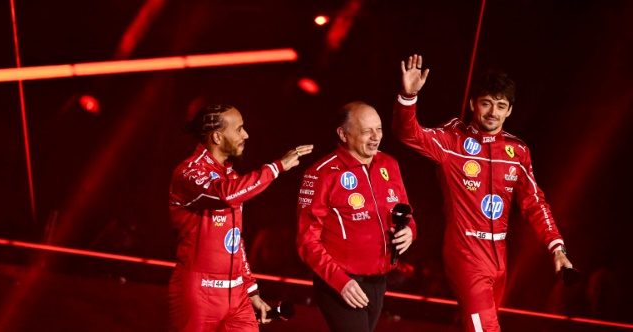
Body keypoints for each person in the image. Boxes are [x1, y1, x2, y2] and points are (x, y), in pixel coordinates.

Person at [392, 54, 573, 331]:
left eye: (501, 106)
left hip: (500, 257)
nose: (493, 112)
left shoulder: (518, 151)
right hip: (465, 253)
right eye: (487, 103)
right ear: (473, 103)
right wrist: (408, 96)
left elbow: (535, 204)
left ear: (510, 110)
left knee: (474, 326)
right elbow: (408, 133)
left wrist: (556, 249)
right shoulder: (452, 139)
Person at [168, 103, 313, 332]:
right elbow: (224, 194)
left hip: (237, 294)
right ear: (217, 136)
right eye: (239, 129)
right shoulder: (188, 173)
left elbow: (234, 241)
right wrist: (276, 168)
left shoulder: (232, 176)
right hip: (199, 292)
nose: (246, 135)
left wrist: (251, 290)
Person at [296, 101, 417, 332]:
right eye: (366, 131)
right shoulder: (321, 174)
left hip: (379, 283)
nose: (375, 137)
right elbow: (306, 241)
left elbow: (406, 212)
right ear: (343, 133)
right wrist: (340, 282)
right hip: (341, 284)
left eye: (379, 129)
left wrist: (410, 230)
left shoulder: (389, 164)